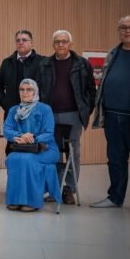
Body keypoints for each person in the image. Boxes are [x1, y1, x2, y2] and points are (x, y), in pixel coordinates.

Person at [91, 15, 130, 217]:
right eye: (123, 27)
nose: (127, 30)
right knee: (115, 160)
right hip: (112, 117)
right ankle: (115, 197)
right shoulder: (113, 53)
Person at [37, 30, 96, 205]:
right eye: (57, 41)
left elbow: (91, 91)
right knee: (52, 152)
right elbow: (38, 89)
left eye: (64, 41)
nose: (61, 44)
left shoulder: (82, 64)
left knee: (73, 153)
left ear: (70, 44)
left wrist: (85, 110)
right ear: (53, 44)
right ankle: (54, 188)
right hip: (49, 115)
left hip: (73, 115)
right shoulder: (44, 64)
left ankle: (69, 190)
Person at [3, 79, 60, 212]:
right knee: (12, 158)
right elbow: (6, 129)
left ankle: (32, 201)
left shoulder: (45, 109)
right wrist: (20, 136)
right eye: (22, 90)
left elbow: (48, 133)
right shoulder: (14, 110)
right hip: (23, 148)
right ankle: (15, 200)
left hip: (46, 148)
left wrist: (32, 139)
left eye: (29, 89)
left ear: (35, 92)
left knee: (28, 160)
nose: (25, 92)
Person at [0, 30, 42, 113]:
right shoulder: (6, 63)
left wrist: (40, 106)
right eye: (18, 40)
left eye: (24, 40)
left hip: (35, 111)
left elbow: (46, 88)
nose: (20, 43)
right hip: (12, 111)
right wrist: (5, 104)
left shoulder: (42, 62)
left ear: (31, 43)